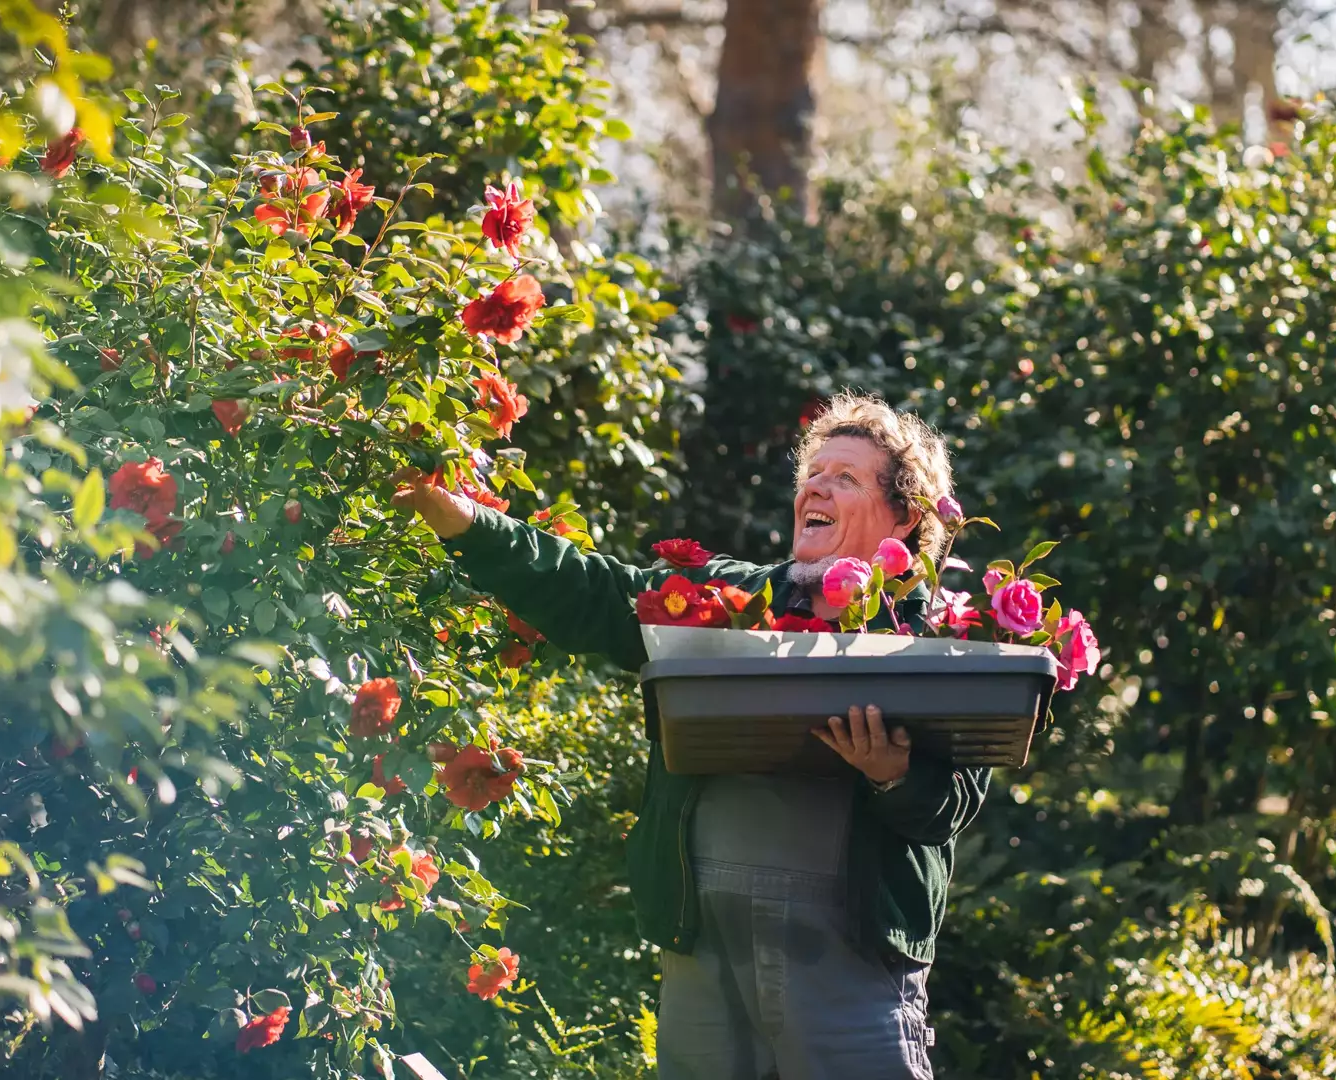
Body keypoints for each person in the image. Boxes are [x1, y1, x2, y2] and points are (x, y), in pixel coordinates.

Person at [392, 393, 988, 1080]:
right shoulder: (726, 600)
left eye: (845, 478)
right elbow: (592, 592)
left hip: (849, 961)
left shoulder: (941, 637)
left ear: (906, 517)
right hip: (703, 946)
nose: (815, 487)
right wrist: (465, 521)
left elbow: (951, 806)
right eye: (812, 474)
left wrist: (891, 771)